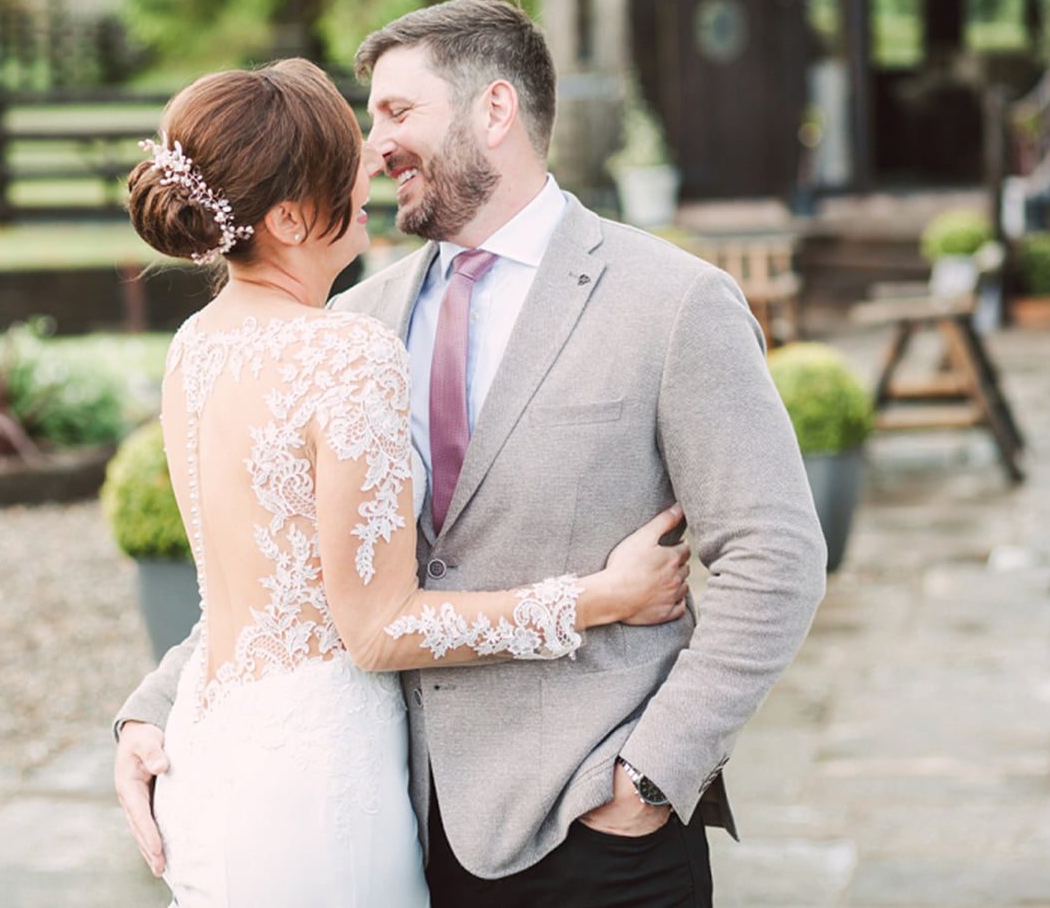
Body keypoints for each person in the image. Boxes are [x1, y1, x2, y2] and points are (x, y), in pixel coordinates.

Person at [112, 56, 694, 908]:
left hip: (214, 750)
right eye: (346, 156)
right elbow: (377, 631)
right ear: (285, 217)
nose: (373, 164)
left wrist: (148, 711)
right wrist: (599, 598)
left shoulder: (195, 346)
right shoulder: (345, 352)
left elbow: (260, 587)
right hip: (318, 776)